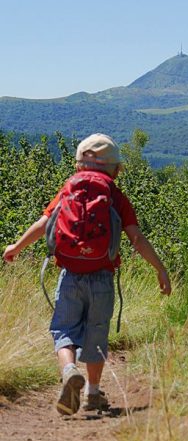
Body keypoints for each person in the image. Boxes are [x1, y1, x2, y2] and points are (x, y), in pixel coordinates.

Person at [2, 133, 171, 416]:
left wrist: (16, 247)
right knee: (96, 333)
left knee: (63, 329)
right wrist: (160, 269)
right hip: (102, 276)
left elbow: (45, 224)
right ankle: (93, 393)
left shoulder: (68, 189)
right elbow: (137, 239)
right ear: (115, 169)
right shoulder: (115, 196)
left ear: (79, 166)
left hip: (69, 273)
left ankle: (69, 370)